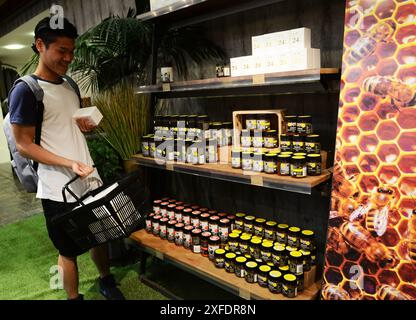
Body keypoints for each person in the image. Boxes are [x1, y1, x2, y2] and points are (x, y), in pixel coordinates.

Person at [8, 16, 125, 300]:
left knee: (101, 235)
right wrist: (67, 163)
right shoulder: (26, 90)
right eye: (62, 51)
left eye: (71, 51)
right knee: (67, 250)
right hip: (58, 186)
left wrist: (84, 124)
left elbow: (65, 125)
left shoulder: (70, 84)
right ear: (40, 45)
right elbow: (23, 144)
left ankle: (106, 280)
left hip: (88, 176)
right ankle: (73, 298)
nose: (68, 58)